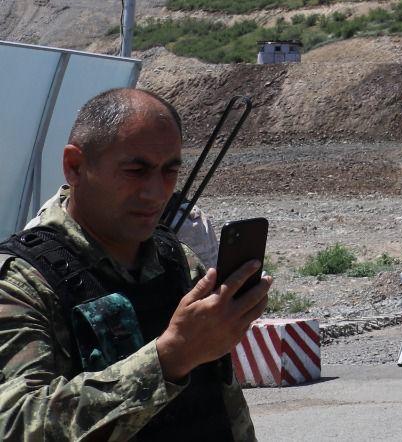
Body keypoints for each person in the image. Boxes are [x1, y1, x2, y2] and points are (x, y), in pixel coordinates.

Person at [0, 87, 271, 440]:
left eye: (169, 171)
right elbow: (16, 424)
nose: (156, 193)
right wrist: (169, 359)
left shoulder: (175, 260)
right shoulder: (20, 284)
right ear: (75, 166)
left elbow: (221, 402)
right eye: (136, 170)